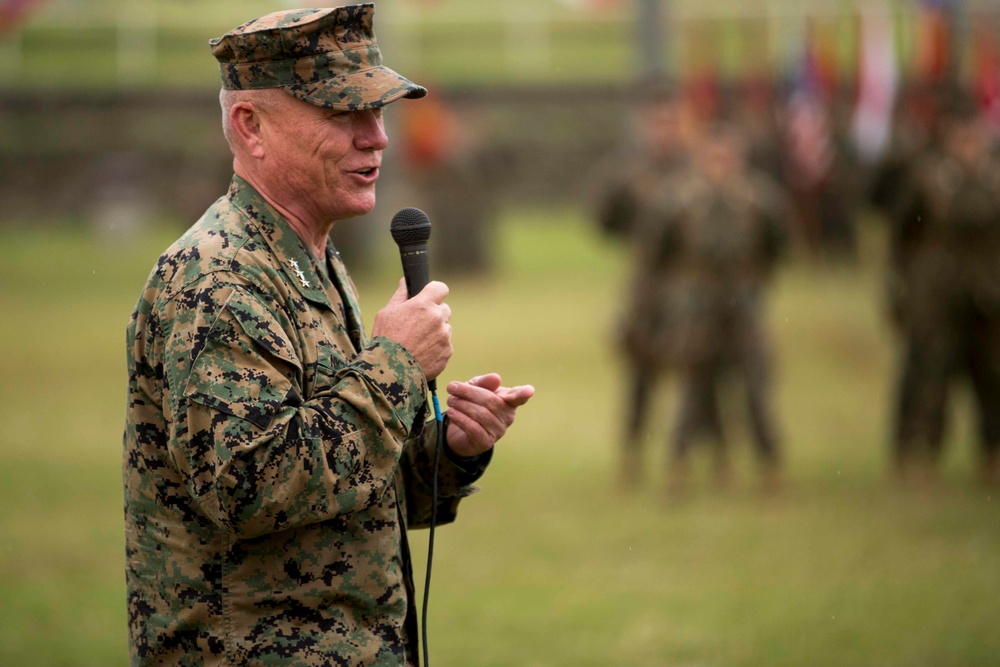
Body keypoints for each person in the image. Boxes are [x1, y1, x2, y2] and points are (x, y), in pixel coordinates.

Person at [122, 6, 534, 666]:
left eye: (377, 114)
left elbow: (340, 491)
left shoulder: (304, 256)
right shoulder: (216, 277)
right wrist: (396, 364)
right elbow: (249, 488)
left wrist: (447, 450)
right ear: (250, 126)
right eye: (344, 115)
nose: (377, 139)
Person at [633, 123, 788, 496]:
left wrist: (754, 284)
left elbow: (779, 246)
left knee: (754, 387)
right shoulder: (679, 200)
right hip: (696, 307)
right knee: (694, 388)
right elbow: (655, 254)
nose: (720, 165)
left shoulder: (758, 198)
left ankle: (770, 467)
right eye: (712, 156)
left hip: (744, 305)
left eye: (727, 156)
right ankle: (680, 466)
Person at [887, 97, 1000, 486]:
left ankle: (991, 455)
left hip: (989, 293)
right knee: (930, 374)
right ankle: (923, 455)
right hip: (937, 292)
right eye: (962, 137)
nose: (969, 145)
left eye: (975, 137)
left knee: (992, 377)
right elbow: (903, 234)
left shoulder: (994, 179)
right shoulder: (927, 176)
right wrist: (902, 285)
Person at [593, 86, 688, 487]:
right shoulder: (632, 173)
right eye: (657, 124)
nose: (663, 132)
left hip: (689, 288)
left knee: (698, 378)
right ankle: (633, 453)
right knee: (640, 377)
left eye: (671, 123)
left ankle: (689, 458)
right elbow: (603, 221)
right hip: (646, 289)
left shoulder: (695, 171)